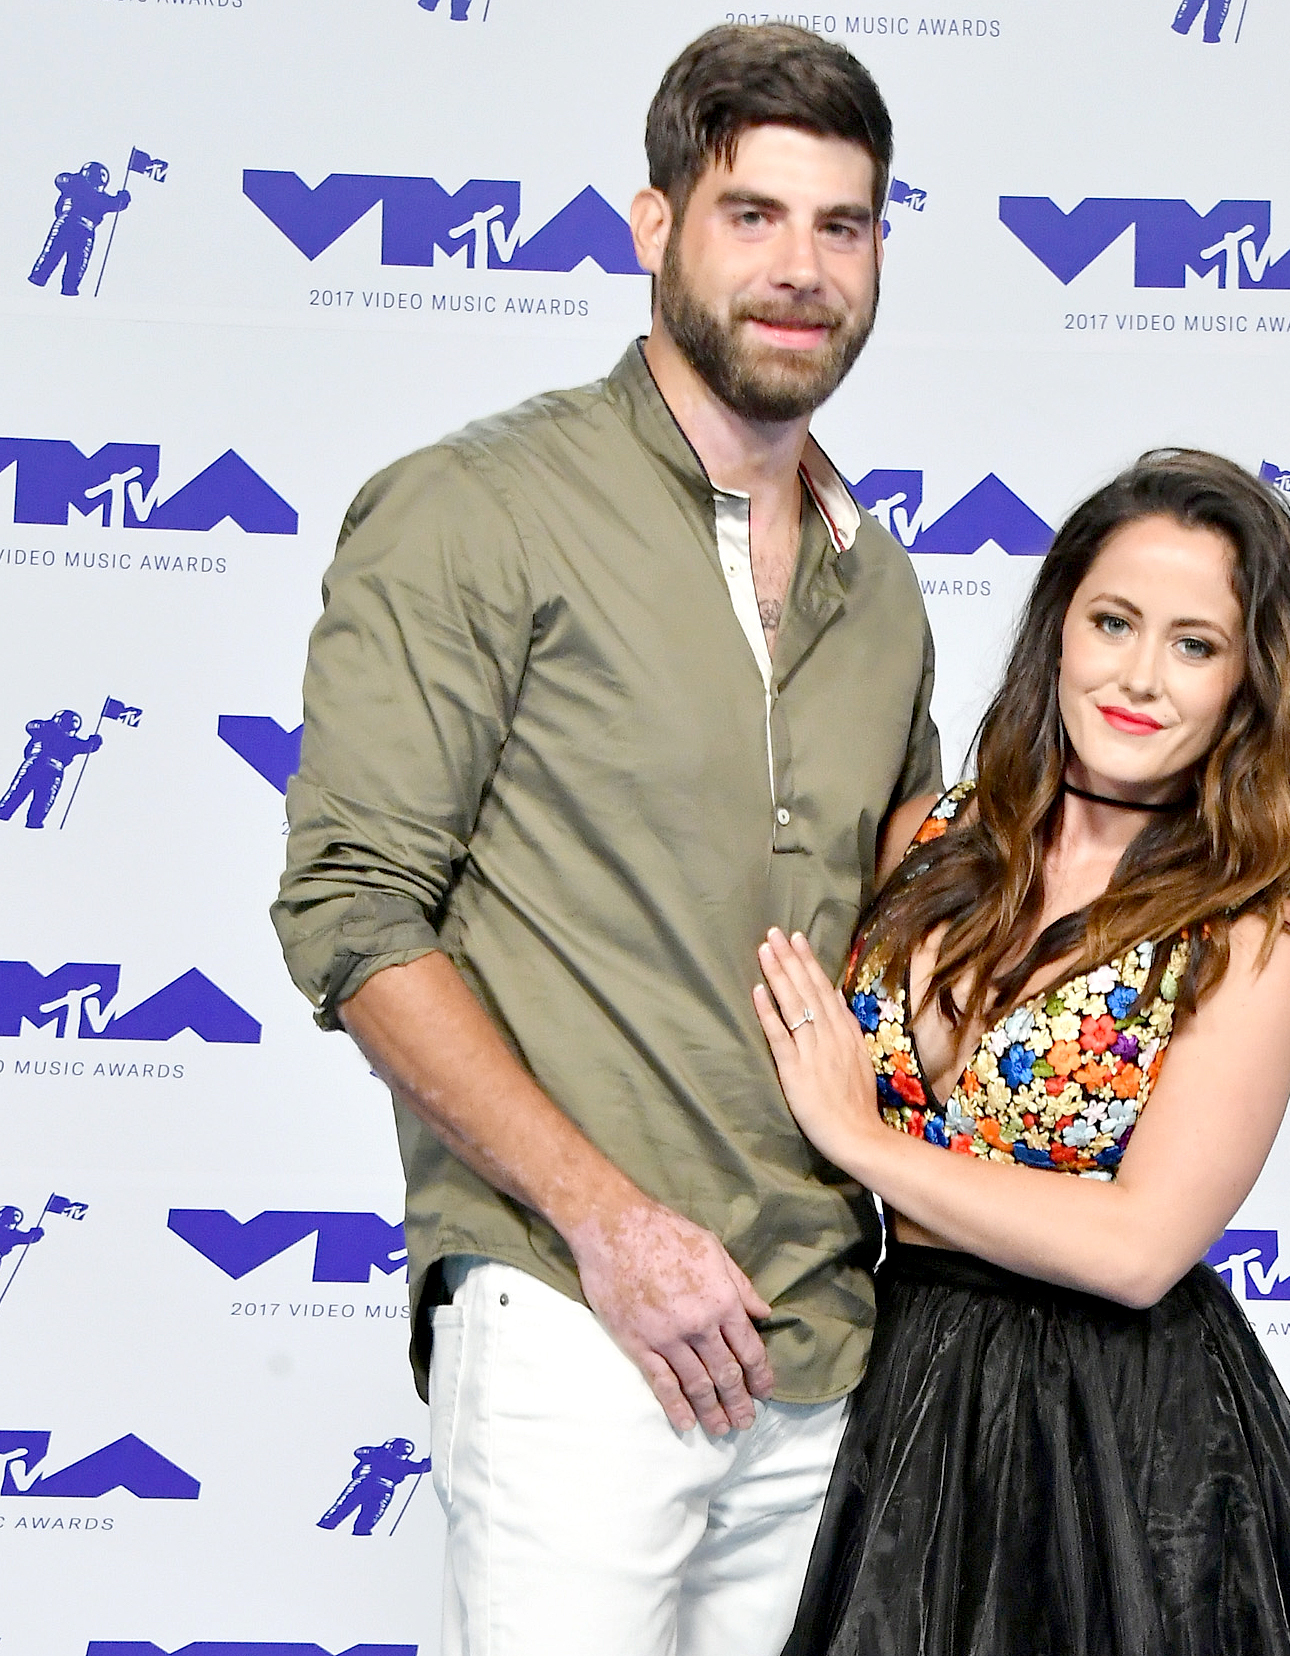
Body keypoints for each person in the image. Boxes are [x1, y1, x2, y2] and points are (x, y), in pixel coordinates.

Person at [271, 24, 939, 1656]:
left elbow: (907, 935)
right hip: (579, 1311)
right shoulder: (474, 509)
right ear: (654, 227)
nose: (801, 270)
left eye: (841, 225)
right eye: (751, 215)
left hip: (827, 1343)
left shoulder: (879, 580)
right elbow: (353, 913)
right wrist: (608, 1222)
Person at [753, 450, 1290, 1655]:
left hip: (1112, 1436)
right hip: (886, 1379)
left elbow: (1139, 1249)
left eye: (1194, 645)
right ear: (1058, 628)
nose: (1139, 676)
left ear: (1248, 681)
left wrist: (860, 1139)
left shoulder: (1257, 926)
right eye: (1113, 622)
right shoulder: (926, 838)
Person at [28, 163, 131, 297]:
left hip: (71, 224)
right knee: (72, 259)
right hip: (77, 226)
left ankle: (44, 278)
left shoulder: (77, 186)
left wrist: (123, 199)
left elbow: (61, 179)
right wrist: (123, 198)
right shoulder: (81, 187)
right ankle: (62, 285)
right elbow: (117, 204)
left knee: (61, 255)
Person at [1, 710, 102, 830]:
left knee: (33, 795)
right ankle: (27, 819)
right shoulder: (51, 731)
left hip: (43, 766)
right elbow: (31, 726)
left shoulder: (54, 733)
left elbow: (88, 746)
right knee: (36, 796)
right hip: (44, 766)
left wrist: (94, 742)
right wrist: (94, 742)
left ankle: (20, 817)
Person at [317, 1437, 431, 1536]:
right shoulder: (386, 1457)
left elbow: (359, 1452)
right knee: (364, 1515)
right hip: (374, 1486)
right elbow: (422, 1467)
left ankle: (328, 1527)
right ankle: (338, 1529)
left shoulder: (378, 1454)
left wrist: (427, 1463)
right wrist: (428, 1462)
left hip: (368, 1484)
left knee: (348, 1510)